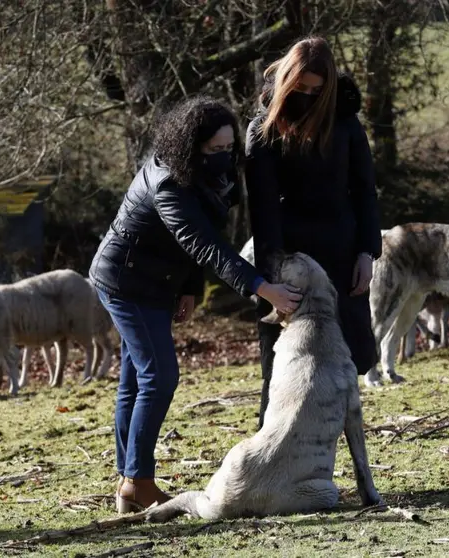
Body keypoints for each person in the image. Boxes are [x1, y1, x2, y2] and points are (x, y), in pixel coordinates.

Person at [89, 95, 303, 513]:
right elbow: (205, 244)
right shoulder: (169, 181)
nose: (224, 157)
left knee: (136, 380)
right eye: (215, 150)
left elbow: (192, 239)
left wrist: (187, 287)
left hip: (155, 280)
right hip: (125, 282)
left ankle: (129, 481)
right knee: (159, 377)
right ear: (192, 147)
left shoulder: (206, 176)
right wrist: (264, 289)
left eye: (229, 149)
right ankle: (136, 481)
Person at [245, 36, 382, 430]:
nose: (306, 97)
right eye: (299, 88)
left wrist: (366, 253)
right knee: (280, 364)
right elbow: (263, 210)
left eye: (315, 91)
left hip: (342, 251)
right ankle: (269, 447)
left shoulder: (345, 125)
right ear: (286, 81)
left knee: (347, 357)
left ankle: (331, 450)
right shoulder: (264, 130)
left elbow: (364, 191)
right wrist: (271, 277)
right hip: (287, 261)